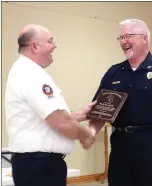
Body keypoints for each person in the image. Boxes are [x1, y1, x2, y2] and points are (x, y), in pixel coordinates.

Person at [82, 19, 152, 186]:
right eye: (121, 38)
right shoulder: (113, 73)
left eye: (128, 36)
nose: (123, 41)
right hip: (120, 147)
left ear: (144, 38)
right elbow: (100, 111)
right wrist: (91, 132)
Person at [5, 24, 96, 186]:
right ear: (34, 46)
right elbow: (61, 121)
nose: (55, 46)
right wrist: (86, 136)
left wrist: (81, 114)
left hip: (35, 165)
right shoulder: (30, 73)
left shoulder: (23, 70)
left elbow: (45, 115)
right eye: (50, 41)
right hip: (39, 167)